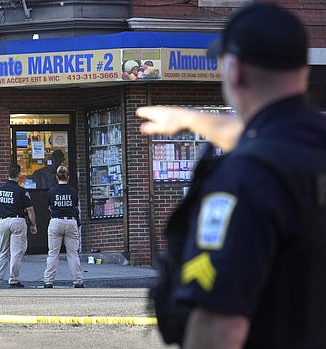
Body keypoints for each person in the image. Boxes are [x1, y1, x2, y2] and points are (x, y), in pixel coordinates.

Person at [138, 3, 326, 348]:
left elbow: (220, 326)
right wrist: (196, 121)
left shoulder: (245, 179)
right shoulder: (307, 147)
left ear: (235, 70)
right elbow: (274, 140)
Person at [0, 164, 37, 288]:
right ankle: (14, 279)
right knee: (16, 252)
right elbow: (30, 210)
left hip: (2, 221)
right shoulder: (22, 191)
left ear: (7, 175)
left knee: (2, 252)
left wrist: (0, 218)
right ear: (19, 175)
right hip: (17, 221)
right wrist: (33, 225)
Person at [43, 166, 83, 289]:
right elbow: (75, 206)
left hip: (56, 222)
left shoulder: (52, 191)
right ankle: (78, 280)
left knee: (53, 254)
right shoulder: (73, 191)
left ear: (56, 177)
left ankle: (48, 281)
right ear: (68, 177)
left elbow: (49, 207)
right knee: (73, 254)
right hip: (71, 222)